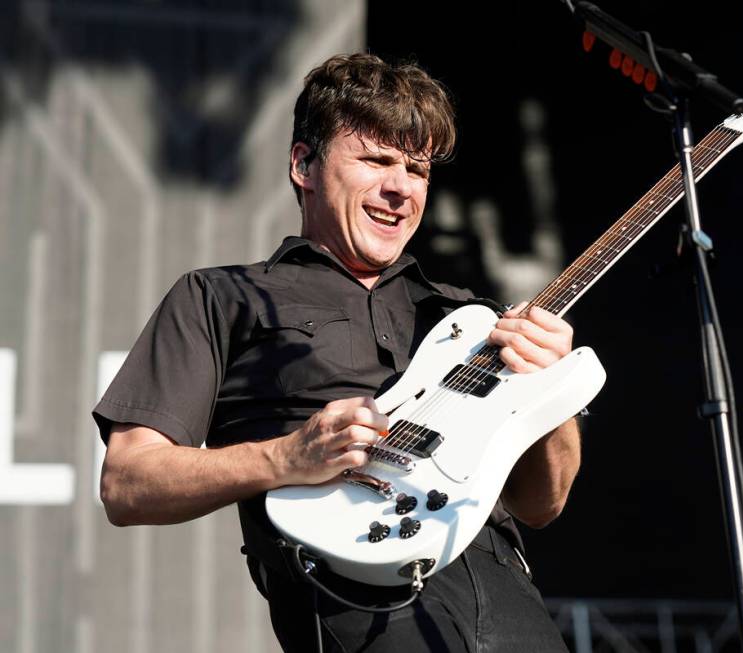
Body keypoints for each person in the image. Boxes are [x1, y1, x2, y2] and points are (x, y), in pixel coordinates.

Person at [94, 53, 581, 652]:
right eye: (376, 160)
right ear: (304, 163)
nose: (401, 187)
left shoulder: (473, 319)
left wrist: (550, 388)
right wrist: (286, 457)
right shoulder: (219, 295)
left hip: (505, 597)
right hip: (352, 601)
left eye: (418, 169)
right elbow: (128, 482)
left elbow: (541, 504)